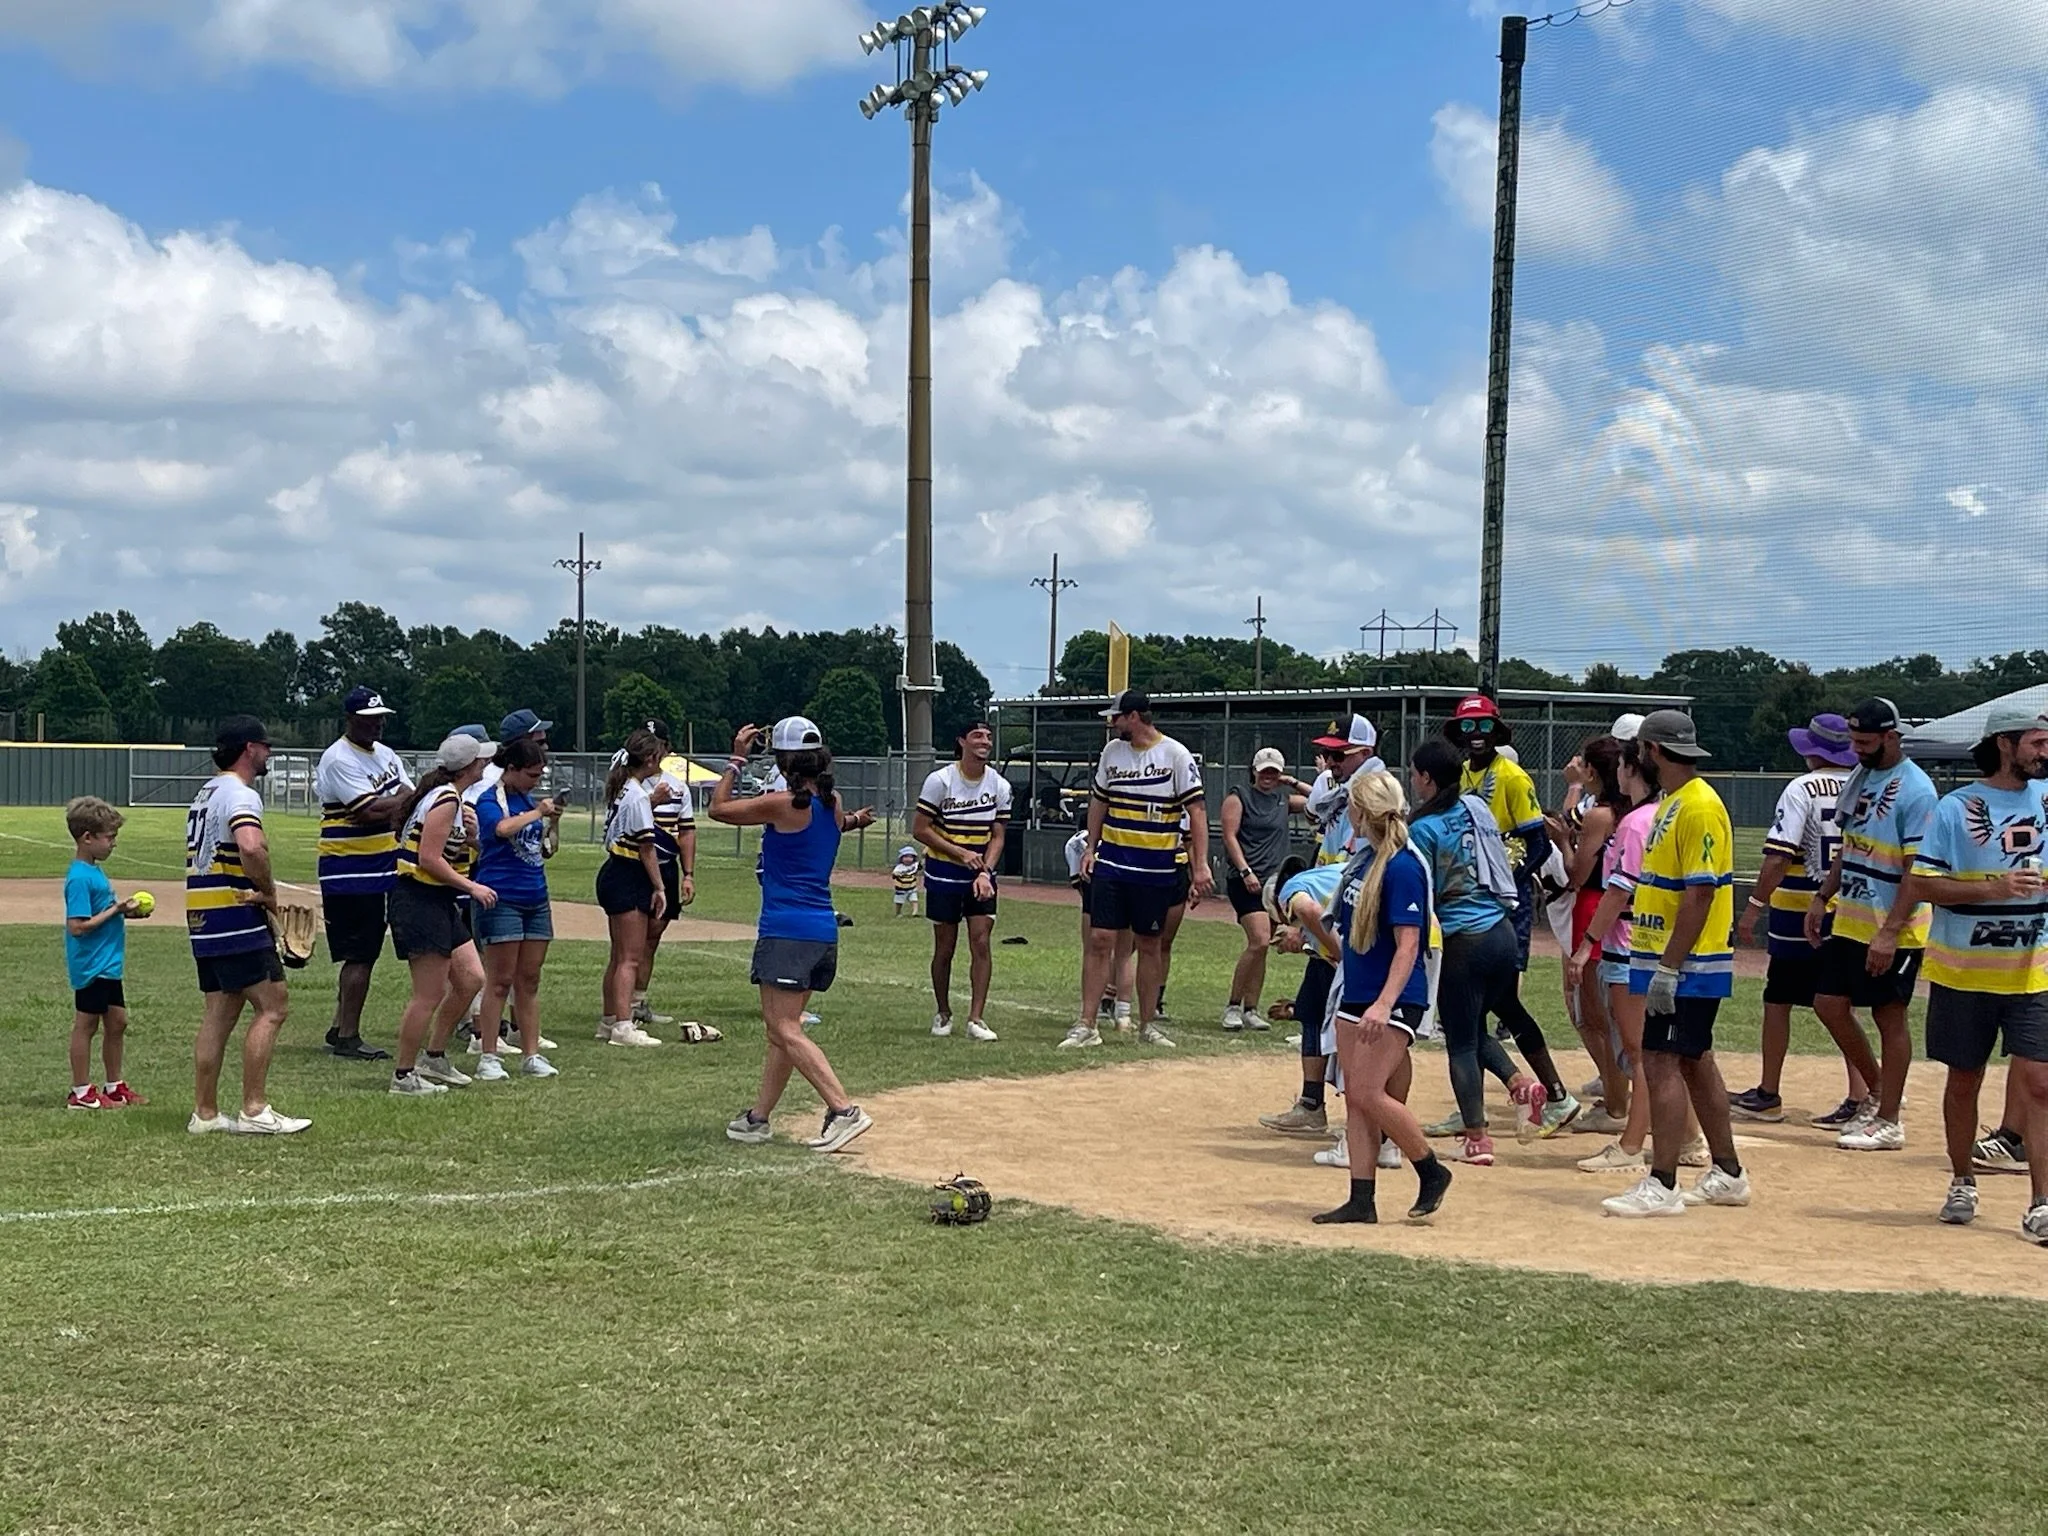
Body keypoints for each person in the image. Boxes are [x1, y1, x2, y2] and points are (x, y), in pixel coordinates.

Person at [1900, 709, 2048, 1241]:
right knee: (1964, 1080)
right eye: (2037, 742)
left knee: (2040, 1082)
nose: (2045, 751)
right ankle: (1962, 1178)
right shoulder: (1956, 808)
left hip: (2034, 971)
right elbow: (1923, 886)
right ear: (2005, 744)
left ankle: (2041, 1202)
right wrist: (1994, 890)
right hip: (1964, 971)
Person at [1601, 710, 1749, 1217]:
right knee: (1693, 1058)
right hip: (1670, 958)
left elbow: (1700, 894)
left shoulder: (1698, 806)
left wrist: (1669, 967)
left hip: (1688, 964)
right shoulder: (1672, 803)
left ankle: (1662, 1181)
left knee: (1661, 1062)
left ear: (1653, 751)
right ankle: (1728, 1171)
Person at [714, 718, 876, 1152]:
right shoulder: (833, 801)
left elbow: (717, 808)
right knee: (781, 1031)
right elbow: (832, 827)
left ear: (784, 763)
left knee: (784, 1027)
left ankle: (843, 1110)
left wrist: (736, 758)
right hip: (821, 931)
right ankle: (758, 1118)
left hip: (787, 932)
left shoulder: (783, 803)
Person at [1407, 739, 1565, 1163]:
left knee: (1459, 1040)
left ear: (1426, 778)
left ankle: (1476, 1138)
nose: (1412, 780)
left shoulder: (1422, 828)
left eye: (1414, 773)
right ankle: (1519, 1085)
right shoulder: (1475, 807)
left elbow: (1423, 888)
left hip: (1463, 939)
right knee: (1475, 1026)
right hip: (1501, 931)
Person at [1313, 770, 1454, 1224]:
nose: (1347, 814)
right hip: (1358, 991)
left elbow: (1409, 944)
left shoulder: (1403, 865)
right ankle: (1361, 1199)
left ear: (1363, 810)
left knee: (1369, 1092)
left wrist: (1384, 1003)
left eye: (1351, 806)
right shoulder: (1367, 859)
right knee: (1356, 1098)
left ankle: (1430, 1168)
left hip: (1392, 997)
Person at [1568, 737, 1705, 1174]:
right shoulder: (1662, 814)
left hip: (1629, 943)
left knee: (1641, 1050)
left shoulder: (1633, 822)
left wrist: (1588, 941)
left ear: (1631, 770)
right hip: (1649, 939)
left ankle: (1631, 1146)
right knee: (1656, 1049)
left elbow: (1619, 888)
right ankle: (1688, 1136)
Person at [1806, 697, 1937, 1151]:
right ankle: (1879, 1089)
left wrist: (1889, 932)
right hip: (1852, 917)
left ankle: (1890, 1118)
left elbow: (1917, 869)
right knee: (1827, 1003)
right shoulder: (1862, 776)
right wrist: (1823, 897)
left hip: (1893, 924)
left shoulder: (1917, 789)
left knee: (1889, 1014)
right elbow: (1851, 844)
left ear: (1891, 737)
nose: (1857, 750)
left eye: (1866, 741)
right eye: (1854, 741)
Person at [1730, 713, 1869, 1124]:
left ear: (1811, 751)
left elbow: (1779, 855)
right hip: (1852, 910)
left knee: (1777, 999)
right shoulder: (1864, 785)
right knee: (1842, 1002)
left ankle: (1769, 1092)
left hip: (1797, 912)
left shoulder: (1800, 789)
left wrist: (1754, 905)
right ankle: (1861, 1094)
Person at [1065, 690, 1211, 1049]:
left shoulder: (1175, 755)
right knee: (1101, 939)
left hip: (1156, 868)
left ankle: (1148, 1024)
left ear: (1133, 717)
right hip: (1113, 862)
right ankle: (1087, 1024)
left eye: (1115, 717)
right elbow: (1100, 801)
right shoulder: (1111, 753)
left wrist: (1201, 865)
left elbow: (1197, 811)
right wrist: (1091, 849)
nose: (1111, 724)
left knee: (1149, 944)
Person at [185, 715, 307, 1135]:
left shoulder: (205, 793)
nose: (269, 752)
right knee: (273, 1007)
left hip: (203, 915)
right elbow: (251, 846)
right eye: (265, 745)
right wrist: (268, 892)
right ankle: (255, 1109)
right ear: (248, 749)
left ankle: (205, 1113)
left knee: (218, 1013)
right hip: (236, 911)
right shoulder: (240, 794)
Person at [387, 734, 498, 1096]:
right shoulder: (447, 799)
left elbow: (444, 850)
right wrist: (472, 888)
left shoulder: (449, 798)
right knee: (428, 994)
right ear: (469, 767)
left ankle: (434, 1055)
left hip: (435, 901)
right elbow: (428, 859)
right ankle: (403, 1075)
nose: (485, 765)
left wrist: (471, 838)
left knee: (470, 978)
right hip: (419, 900)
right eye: (481, 761)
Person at [314, 686, 410, 1062]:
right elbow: (366, 811)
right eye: (370, 719)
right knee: (360, 955)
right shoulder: (339, 758)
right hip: (350, 870)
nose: (378, 725)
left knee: (365, 953)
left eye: (381, 718)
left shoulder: (385, 754)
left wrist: (401, 801)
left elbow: (404, 793)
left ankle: (340, 1026)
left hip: (381, 865)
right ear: (351, 720)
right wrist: (402, 801)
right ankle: (348, 1036)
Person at [471, 735, 564, 1080]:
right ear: (511, 769)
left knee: (530, 979)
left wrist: (551, 821)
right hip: (502, 897)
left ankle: (531, 1052)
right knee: (500, 980)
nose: (536, 782)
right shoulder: (489, 799)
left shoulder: (526, 800)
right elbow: (499, 829)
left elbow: (545, 849)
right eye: (531, 775)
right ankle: (489, 1055)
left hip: (535, 897)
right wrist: (536, 812)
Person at [913, 720, 1012, 1042]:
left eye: (988, 737)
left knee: (981, 942)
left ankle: (976, 1018)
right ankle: (943, 1011)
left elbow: (997, 835)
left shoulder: (999, 785)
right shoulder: (940, 780)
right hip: (944, 872)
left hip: (979, 874)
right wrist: (959, 852)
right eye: (977, 736)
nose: (984, 742)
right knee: (945, 947)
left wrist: (986, 871)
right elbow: (920, 829)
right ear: (962, 742)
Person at [1448, 695, 1552, 978]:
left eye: (1484, 725)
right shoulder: (1459, 775)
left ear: (1496, 732)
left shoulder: (1513, 777)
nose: (1477, 734)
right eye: (1468, 726)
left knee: (1508, 964)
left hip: (1506, 885)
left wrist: (1511, 879)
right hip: (1467, 883)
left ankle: (1508, 1024)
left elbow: (1539, 843)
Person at [62, 796, 147, 1109]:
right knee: (86, 1025)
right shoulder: (80, 878)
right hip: (92, 964)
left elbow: (102, 912)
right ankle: (81, 1092)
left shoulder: (94, 872)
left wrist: (125, 912)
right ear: (87, 838)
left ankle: (114, 1086)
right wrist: (117, 909)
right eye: (109, 838)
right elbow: (78, 926)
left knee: (118, 1021)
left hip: (108, 964)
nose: (113, 844)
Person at [1259, 854, 1349, 1138]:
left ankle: (1373, 1121)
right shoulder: (1318, 878)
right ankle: (1311, 1105)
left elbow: (1309, 911)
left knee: (1357, 1030)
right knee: (1310, 1010)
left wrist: (1344, 957)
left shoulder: (1292, 891)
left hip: (1366, 951)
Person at [1219, 747, 1307, 1030]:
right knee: (1258, 940)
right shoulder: (1238, 797)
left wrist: (1292, 782)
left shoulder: (1283, 799)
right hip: (1246, 880)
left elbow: (1320, 800)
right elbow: (1230, 836)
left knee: (1263, 946)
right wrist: (1245, 871)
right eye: (1264, 770)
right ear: (1254, 770)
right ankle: (1233, 1006)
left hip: (1274, 883)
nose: (1269, 776)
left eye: (1274, 771)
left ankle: (1251, 1008)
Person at [595, 729, 668, 1048]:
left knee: (618, 955)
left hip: (615, 871)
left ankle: (609, 1019)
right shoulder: (637, 794)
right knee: (630, 958)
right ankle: (624, 1025)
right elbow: (646, 848)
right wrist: (660, 887)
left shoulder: (625, 788)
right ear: (650, 759)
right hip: (628, 874)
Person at [632, 719, 698, 1034]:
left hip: (666, 865)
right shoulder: (627, 784)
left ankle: (639, 1001)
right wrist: (650, 802)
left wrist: (688, 874)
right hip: (634, 867)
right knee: (631, 942)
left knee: (652, 937)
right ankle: (622, 1008)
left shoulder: (677, 786)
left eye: (657, 745)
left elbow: (686, 831)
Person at [1068, 826, 1134, 1026]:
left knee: (1096, 954)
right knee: (1122, 954)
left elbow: (1079, 882)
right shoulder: (1127, 836)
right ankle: (1121, 1014)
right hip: (1116, 888)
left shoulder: (1076, 843)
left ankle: (1093, 1014)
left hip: (1099, 895)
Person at [1305, 714, 1383, 866]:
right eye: (1326, 754)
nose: (1329, 762)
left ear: (1365, 753)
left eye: (1337, 755)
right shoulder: (1345, 793)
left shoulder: (1374, 797)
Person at [891, 847, 922, 916]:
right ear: (901, 858)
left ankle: (915, 912)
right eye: (905, 857)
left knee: (914, 900)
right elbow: (894, 875)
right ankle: (898, 912)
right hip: (901, 888)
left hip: (912, 887)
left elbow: (920, 866)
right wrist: (897, 874)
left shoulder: (915, 865)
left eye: (910, 857)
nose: (908, 859)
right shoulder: (899, 867)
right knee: (899, 902)